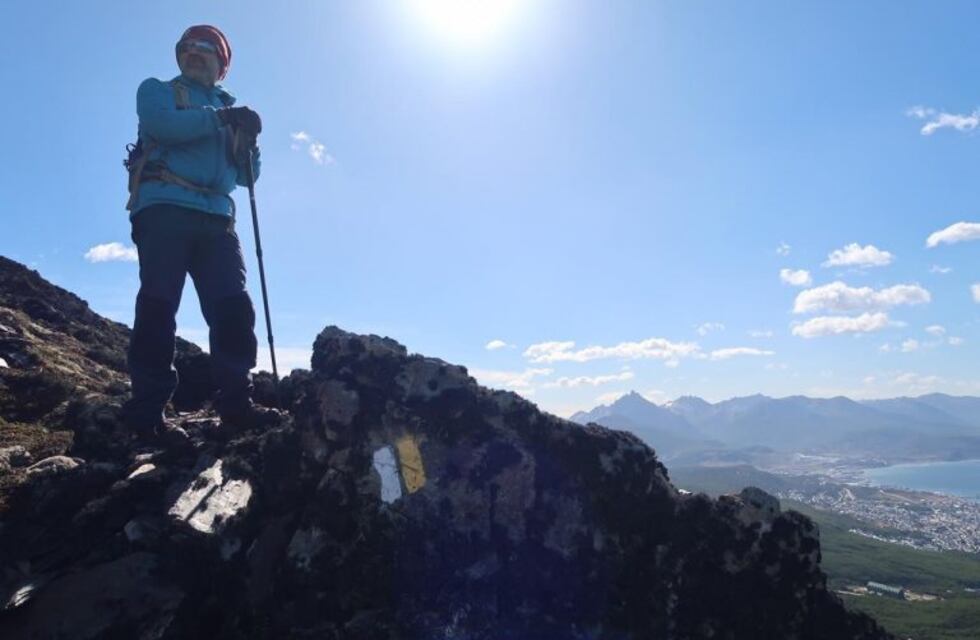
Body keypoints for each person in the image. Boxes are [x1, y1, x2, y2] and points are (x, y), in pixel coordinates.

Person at [122, 24, 277, 443]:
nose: (195, 52)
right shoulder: (158, 91)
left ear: (221, 64)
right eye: (187, 46)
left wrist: (250, 142)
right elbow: (163, 126)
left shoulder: (228, 111)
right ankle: (148, 410)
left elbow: (248, 176)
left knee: (232, 308)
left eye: (206, 48)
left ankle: (236, 402)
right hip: (164, 208)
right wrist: (226, 119)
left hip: (216, 218)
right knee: (159, 306)